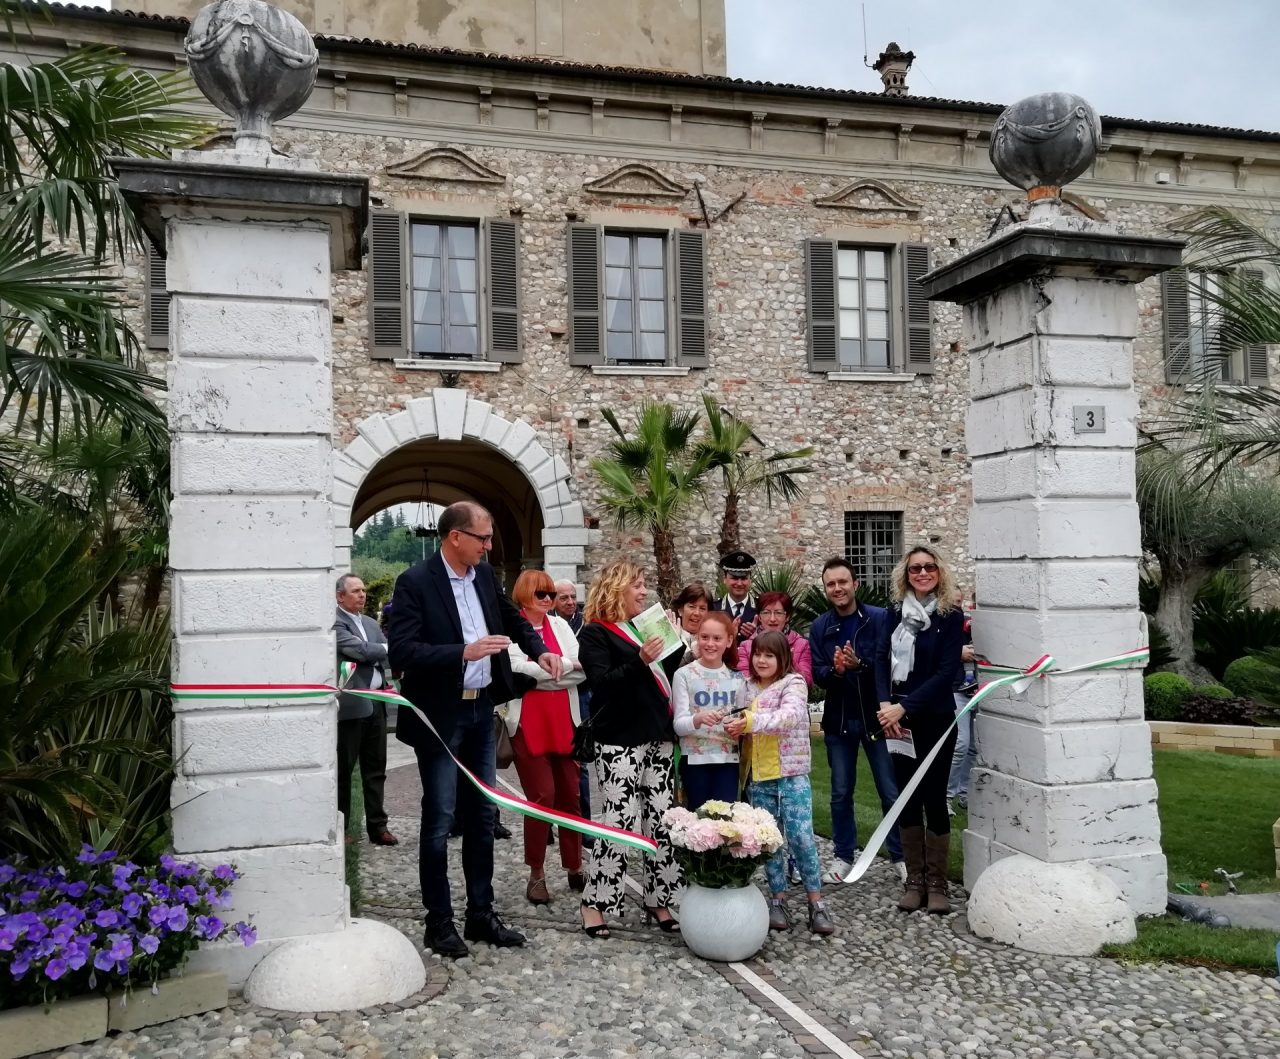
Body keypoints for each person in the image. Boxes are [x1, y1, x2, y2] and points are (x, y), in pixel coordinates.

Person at [387, 501, 561, 958]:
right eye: (482, 538)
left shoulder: (484, 576)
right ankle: (438, 921)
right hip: (439, 717)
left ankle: (481, 915)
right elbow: (402, 652)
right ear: (455, 537)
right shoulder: (415, 583)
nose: (489, 545)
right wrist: (463, 652)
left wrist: (539, 650)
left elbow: (511, 617)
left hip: (481, 712)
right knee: (441, 817)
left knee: (484, 816)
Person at [576, 559, 683, 939]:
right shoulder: (594, 633)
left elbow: (666, 679)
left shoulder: (643, 627)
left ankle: (659, 899)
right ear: (616, 587)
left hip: (658, 735)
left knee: (661, 820)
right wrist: (640, 661)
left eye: (644, 584)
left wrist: (674, 640)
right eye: (636, 584)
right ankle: (596, 904)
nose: (643, 591)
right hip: (618, 739)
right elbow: (601, 685)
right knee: (620, 821)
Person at [877, 545, 965, 915]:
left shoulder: (949, 616)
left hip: (936, 719)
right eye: (915, 568)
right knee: (906, 798)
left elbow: (946, 673)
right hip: (897, 722)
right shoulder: (893, 614)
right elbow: (881, 658)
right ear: (906, 574)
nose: (923, 573)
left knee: (933, 796)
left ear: (939, 572)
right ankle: (914, 880)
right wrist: (885, 705)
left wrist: (904, 704)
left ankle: (936, 882)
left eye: (929, 567)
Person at [726, 631, 833, 935]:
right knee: (770, 842)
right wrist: (731, 724)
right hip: (758, 776)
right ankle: (778, 899)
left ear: (782, 658)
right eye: (758, 654)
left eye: (769, 655)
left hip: (791, 774)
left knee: (801, 838)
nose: (761, 660)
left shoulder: (794, 684)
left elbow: (789, 717)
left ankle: (816, 902)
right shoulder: (746, 688)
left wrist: (749, 722)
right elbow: (737, 717)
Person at [809, 557, 905, 883]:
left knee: (889, 790)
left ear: (855, 584)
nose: (837, 588)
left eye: (842, 582)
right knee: (840, 791)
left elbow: (890, 667)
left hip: (875, 718)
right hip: (838, 720)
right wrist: (836, 670)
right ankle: (842, 855)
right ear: (825, 589)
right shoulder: (821, 626)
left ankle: (900, 856)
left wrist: (858, 663)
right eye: (830, 584)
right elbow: (819, 674)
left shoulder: (878, 619)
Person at [504, 569, 588, 904]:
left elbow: (580, 668)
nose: (549, 600)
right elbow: (516, 671)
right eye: (542, 594)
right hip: (528, 724)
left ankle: (574, 864)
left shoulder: (561, 626)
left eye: (550, 593)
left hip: (563, 721)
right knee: (542, 796)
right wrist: (558, 669)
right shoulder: (510, 630)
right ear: (524, 594)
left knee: (570, 795)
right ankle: (536, 872)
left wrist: (546, 673)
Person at [334, 574, 398, 847]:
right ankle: (343, 826)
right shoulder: (335, 623)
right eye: (355, 591)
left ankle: (378, 826)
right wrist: (383, 648)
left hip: (377, 705)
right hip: (351, 708)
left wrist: (380, 649)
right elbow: (359, 651)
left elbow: (382, 654)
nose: (362, 594)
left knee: (376, 768)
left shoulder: (371, 624)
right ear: (340, 596)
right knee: (344, 771)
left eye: (363, 590)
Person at [671, 611, 743, 808]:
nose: (710, 643)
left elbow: (744, 720)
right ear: (697, 638)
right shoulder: (683, 675)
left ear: (729, 641)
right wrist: (698, 718)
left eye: (717, 638)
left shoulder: (738, 679)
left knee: (725, 823)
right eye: (704, 637)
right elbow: (678, 725)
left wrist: (740, 727)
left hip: (728, 759)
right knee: (698, 822)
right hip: (695, 761)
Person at [554, 578, 593, 833]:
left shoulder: (586, 624)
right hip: (554, 698)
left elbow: (587, 663)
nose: (570, 603)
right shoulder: (548, 625)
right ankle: (547, 822)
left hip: (582, 695)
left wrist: (562, 665)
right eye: (564, 598)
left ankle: (585, 825)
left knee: (581, 761)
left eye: (572, 597)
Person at [735, 591, 814, 686]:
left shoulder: (802, 645)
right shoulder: (747, 646)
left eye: (778, 613)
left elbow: (807, 683)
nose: (772, 619)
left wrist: (790, 661)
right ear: (759, 617)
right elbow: (742, 682)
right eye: (766, 613)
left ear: (787, 616)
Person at [947, 589, 979, 815]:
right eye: (953, 603)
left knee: (974, 748)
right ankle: (946, 796)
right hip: (956, 688)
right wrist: (957, 653)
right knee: (960, 745)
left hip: (978, 688)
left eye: (960, 602)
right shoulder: (943, 624)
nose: (958, 607)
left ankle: (966, 794)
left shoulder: (973, 622)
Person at [713, 550, 758, 642]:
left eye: (744, 578)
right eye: (734, 578)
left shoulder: (760, 607)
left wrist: (758, 633)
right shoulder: (714, 608)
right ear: (725, 579)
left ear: (750, 580)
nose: (739, 583)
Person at [669, 581, 713, 662]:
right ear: (680, 610)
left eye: (702, 609)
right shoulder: (669, 636)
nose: (697, 613)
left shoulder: (714, 639)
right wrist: (692, 656)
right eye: (692, 607)